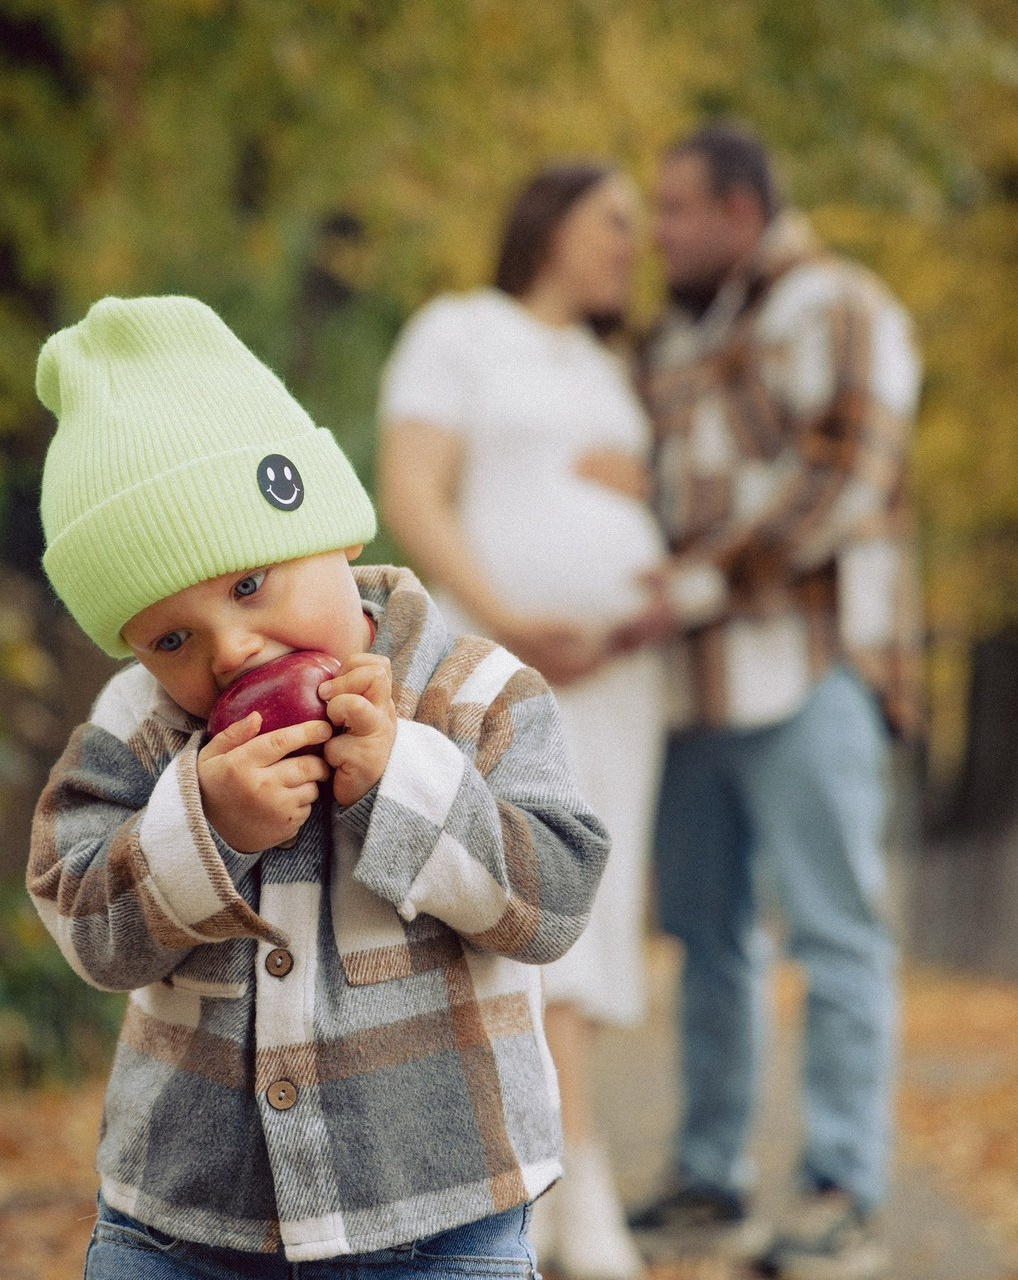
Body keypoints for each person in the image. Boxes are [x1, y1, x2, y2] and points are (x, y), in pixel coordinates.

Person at [26, 294, 612, 1280]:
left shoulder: (475, 696)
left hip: (440, 1214)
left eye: (250, 583)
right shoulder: (136, 726)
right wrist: (202, 826)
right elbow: (82, 921)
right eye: (172, 637)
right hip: (181, 1222)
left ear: (336, 531)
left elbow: (553, 899)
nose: (231, 649)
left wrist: (407, 780)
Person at [617, 122, 923, 1280]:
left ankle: (842, 1188)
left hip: (809, 671)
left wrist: (692, 581)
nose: (659, 233)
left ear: (740, 212)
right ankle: (709, 1179)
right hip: (691, 692)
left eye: (676, 210)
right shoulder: (668, 341)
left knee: (836, 932)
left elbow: (843, 479)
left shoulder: (838, 304)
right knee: (703, 939)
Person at [376, 163, 668, 1280]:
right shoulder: (457, 331)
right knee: (499, 888)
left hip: (613, 679)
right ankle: (555, 1178)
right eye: (611, 223)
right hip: (498, 668)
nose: (627, 247)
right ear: (545, 220)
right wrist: (504, 618)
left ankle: (555, 1174)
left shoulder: (610, 366)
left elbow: (637, 502)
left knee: (588, 893)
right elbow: (412, 491)